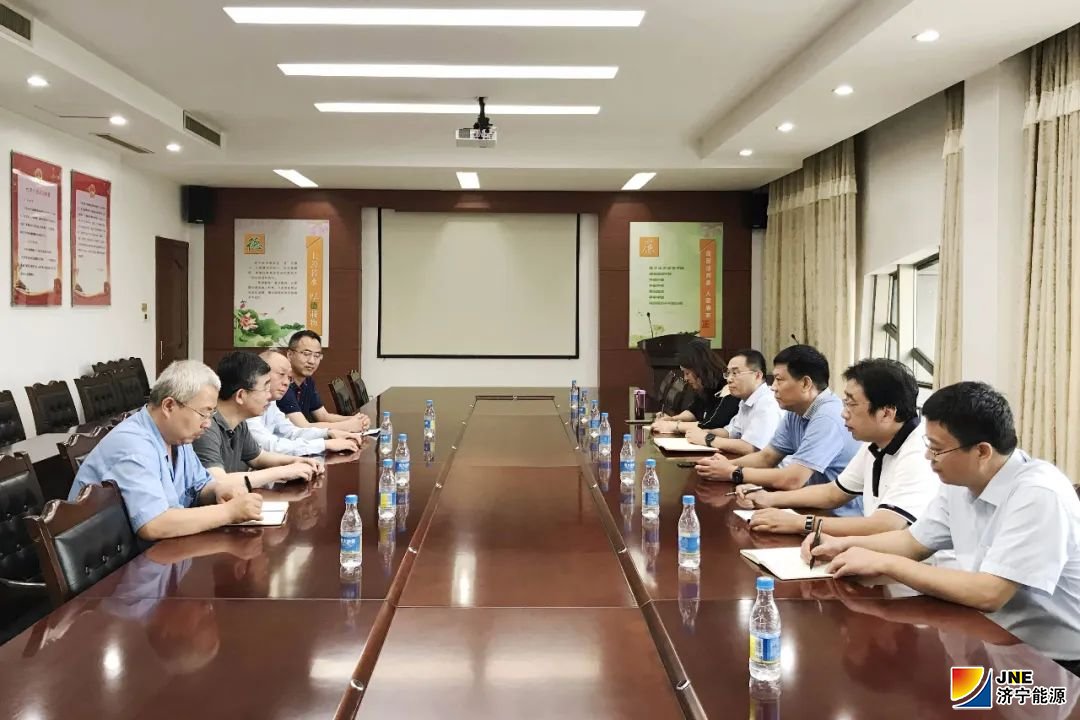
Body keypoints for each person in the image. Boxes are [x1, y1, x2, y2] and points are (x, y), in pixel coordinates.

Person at [806, 382, 1080, 675]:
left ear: (982, 451)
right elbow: (912, 542)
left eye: (937, 449)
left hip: (1056, 662)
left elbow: (990, 593)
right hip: (994, 639)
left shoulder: (1038, 494)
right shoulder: (961, 481)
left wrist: (885, 563)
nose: (929, 458)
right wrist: (842, 544)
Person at [737, 358, 939, 535]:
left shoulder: (920, 452)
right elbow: (833, 493)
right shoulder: (876, 443)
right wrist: (769, 499)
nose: (843, 413)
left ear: (886, 413)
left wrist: (800, 523)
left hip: (914, 564)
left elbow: (886, 525)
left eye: (851, 404)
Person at [69, 360, 263, 540]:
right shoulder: (133, 446)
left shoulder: (178, 438)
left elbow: (199, 486)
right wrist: (229, 512)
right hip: (117, 561)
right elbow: (154, 524)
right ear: (169, 406)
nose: (207, 424)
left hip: (163, 551)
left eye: (211, 414)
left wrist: (220, 490)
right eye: (203, 413)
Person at [695, 344, 863, 517]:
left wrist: (733, 472)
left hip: (838, 516)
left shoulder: (828, 417)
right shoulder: (796, 410)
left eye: (779, 379)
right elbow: (767, 457)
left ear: (805, 383)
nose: (773, 387)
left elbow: (793, 479)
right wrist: (724, 466)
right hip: (807, 505)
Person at [193, 352, 323, 487]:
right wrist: (283, 472)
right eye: (265, 389)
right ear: (241, 395)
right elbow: (218, 481)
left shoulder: (239, 424)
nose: (269, 396)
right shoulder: (206, 427)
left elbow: (258, 458)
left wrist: (296, 461)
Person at [248, 350, 364, 456]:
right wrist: (324, 444)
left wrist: (328, 433)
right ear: (259, 374)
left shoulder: (271, 403)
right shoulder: (247, 405)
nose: (286, 383)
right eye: (281, 374)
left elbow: (291, 432)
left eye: (289, 378)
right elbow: (270, 446)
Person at [684, 349, 782, 457]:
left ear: (757, 375)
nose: (729, 379)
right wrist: (707, 432)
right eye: (728, 373)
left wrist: (707, 439)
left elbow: (752, 448)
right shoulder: (745, 401)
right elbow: (730, 432)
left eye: (735, 373)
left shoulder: (768, 403)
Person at [279, 330, 370, 431]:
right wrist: (348, 425)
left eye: (317, 355)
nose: (312, 361)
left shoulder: (308, 381)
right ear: (290, 355)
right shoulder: (282, 384)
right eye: (306, 354)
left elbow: (323, 416)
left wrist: (356, 419)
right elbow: (303, 426)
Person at [651, 338, 739, 434]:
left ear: (700, 370)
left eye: (687, 373)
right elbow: (694, 411)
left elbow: (711, 424)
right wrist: (673, 419)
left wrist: (674, 426)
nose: (685, 378)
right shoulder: (705, 388)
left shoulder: (728, 388)